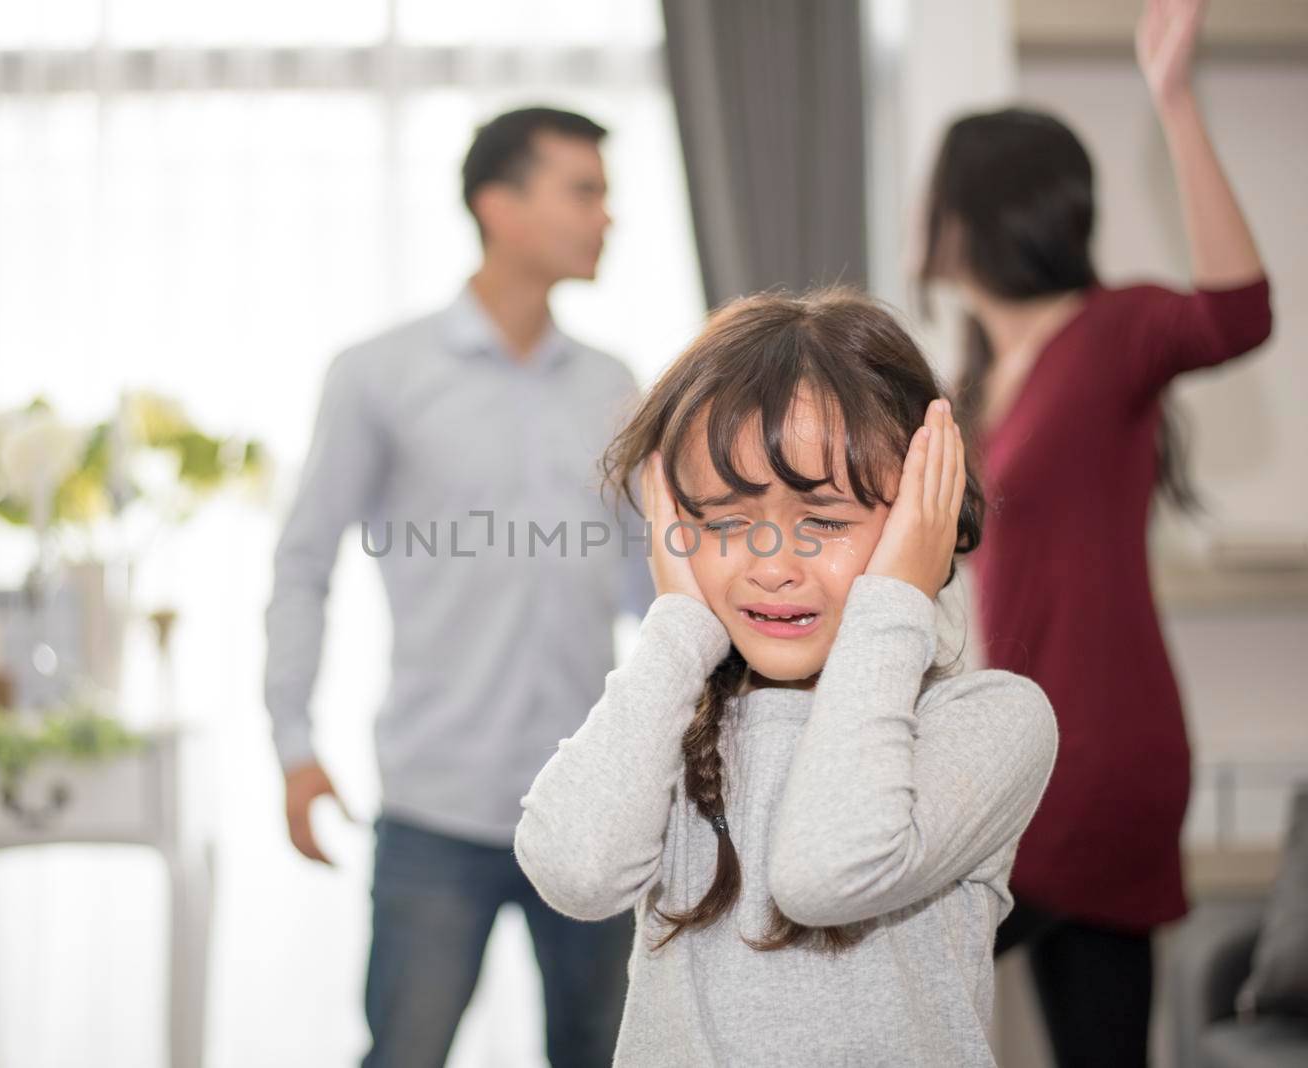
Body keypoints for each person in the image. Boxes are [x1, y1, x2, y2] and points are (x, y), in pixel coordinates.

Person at [513, 288, 1059, 1066]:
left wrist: (897, 596)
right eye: (726, 522)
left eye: (826, 522)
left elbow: (827, 872)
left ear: (921, 521)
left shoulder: (990, 720)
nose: (772, 567)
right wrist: (678, 625)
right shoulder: (667, 720)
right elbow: (575, 870)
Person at [915, 1, 1274, 1063]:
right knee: (1096, 1040)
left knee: (887, 975)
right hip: (1022, 749)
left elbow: (1238, 313)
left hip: (1092, 754)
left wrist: (1173, 103)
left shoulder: (1110, 333)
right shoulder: (974, 382)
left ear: (975, 214)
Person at [265, 106, 655, 1068]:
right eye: (585, 191)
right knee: (405, 1053)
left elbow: (653, 586)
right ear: (501, 206)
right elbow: (304, 562)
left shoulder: (616, 385)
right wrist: (294, 744)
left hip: (589, 806)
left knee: (606, 1057)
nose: (607, 217)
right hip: (437, 809)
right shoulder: (378, 375)